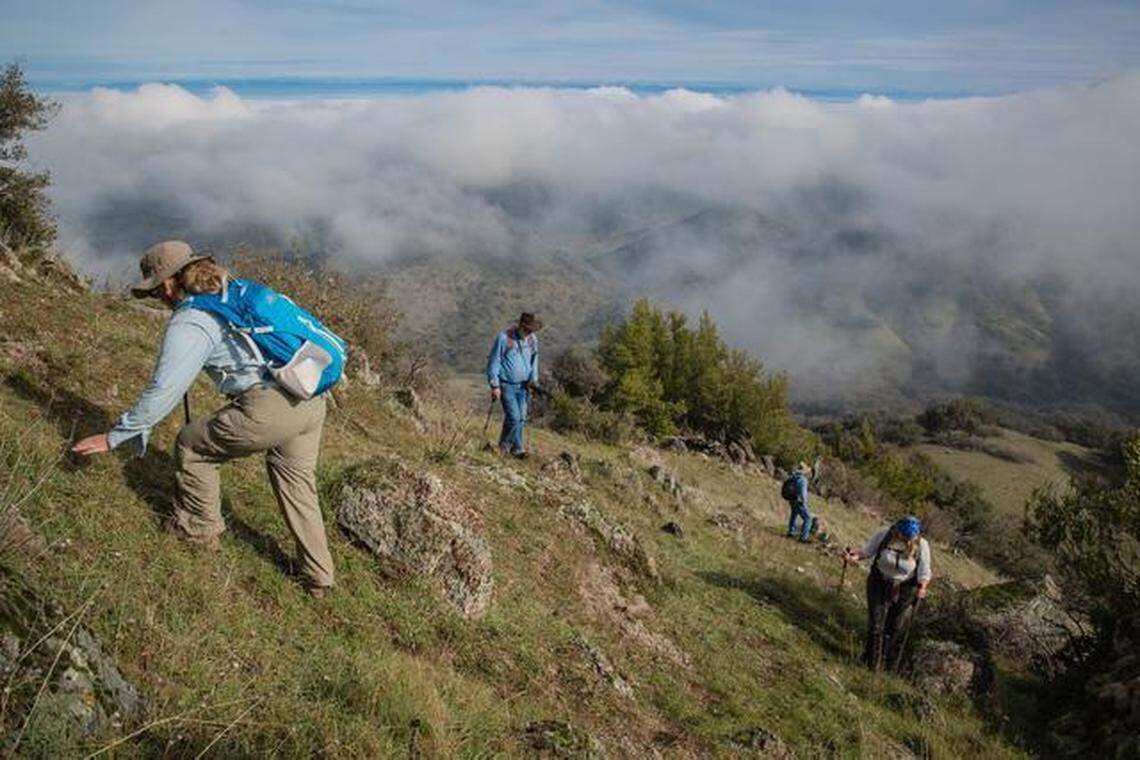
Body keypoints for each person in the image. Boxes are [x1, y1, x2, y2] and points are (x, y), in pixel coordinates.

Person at [71, 241, 336, 597]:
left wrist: (118, 435)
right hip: (309, 398)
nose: (158, 299)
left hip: (269, 408)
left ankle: (195, 533)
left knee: (192, 445)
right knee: (297, 482)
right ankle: (319, 576)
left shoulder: (193, 319)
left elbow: (165, 387)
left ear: (167, 284)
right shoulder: (232, 294)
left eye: (155, 292)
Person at [845, 516, 932, 671]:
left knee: (893, 627)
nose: (905, 540)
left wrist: (922, 587)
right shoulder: (884, 535)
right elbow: (867, 552)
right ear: (897, 531)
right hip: (879, 582)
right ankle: (873, 664)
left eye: (908, 538)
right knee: (876, 623)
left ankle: (880, 657)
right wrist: (854, 557)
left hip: (905, 589)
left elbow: (924, 571)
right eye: (903, 536)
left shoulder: (922, 545)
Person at [485, 312, 542, 458]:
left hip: (524, 386)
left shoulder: (532, 340)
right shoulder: (504, 338)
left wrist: (533, 380)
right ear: (521, 326)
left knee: (521, 417)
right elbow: (494, 361)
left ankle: (517, 448)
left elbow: (534, 360)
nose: (529, 333)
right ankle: (504, 446)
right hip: (506, 385)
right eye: (527, 329)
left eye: (532, 330)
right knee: (514, 417)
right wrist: (494, 385)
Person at [784, 461, 815, 542]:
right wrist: (804, 503)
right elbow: (802, 493)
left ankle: (791, 531)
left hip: (792, 499)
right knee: (808, 518)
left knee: (793, 515)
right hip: (799, 500)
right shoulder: (803, 479)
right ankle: (804, 538)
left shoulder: (794, 477)